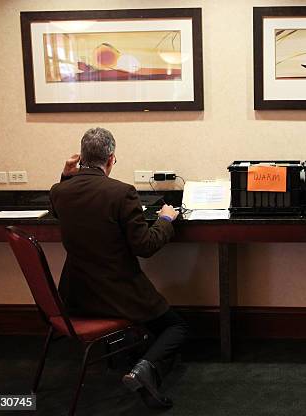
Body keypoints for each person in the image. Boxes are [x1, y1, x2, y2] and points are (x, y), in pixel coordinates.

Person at [50, 127, 187, 408]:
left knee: (153, 322)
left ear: (82, 158)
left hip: (77, 297)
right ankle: (144, 369)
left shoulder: (60, 191)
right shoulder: (121, 193)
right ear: (111, 158)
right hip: (118, 295)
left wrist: (66, 174)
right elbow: (145, 247)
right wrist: (166, 219)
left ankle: (130, 352)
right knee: (176, 327)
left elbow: (57, 204)